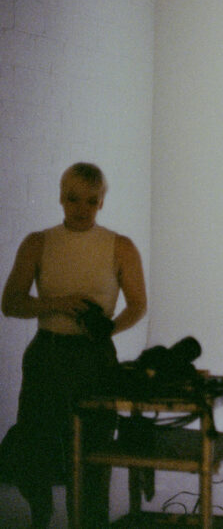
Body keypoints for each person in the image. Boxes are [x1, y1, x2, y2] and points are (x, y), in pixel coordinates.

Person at [0, 162, 147, 528]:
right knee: (36, 446)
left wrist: (107, 329)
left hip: (94, 358)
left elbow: (138, 304)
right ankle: (40, 515)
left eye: (90, 201)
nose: (81, 208)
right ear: (60, 198)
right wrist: (58, 304)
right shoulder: (38, 242)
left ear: (101, 203)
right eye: (72, 199)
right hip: (47, 353)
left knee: (94, 451)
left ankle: (90, 520)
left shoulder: (120, 246)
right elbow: (11, 302)